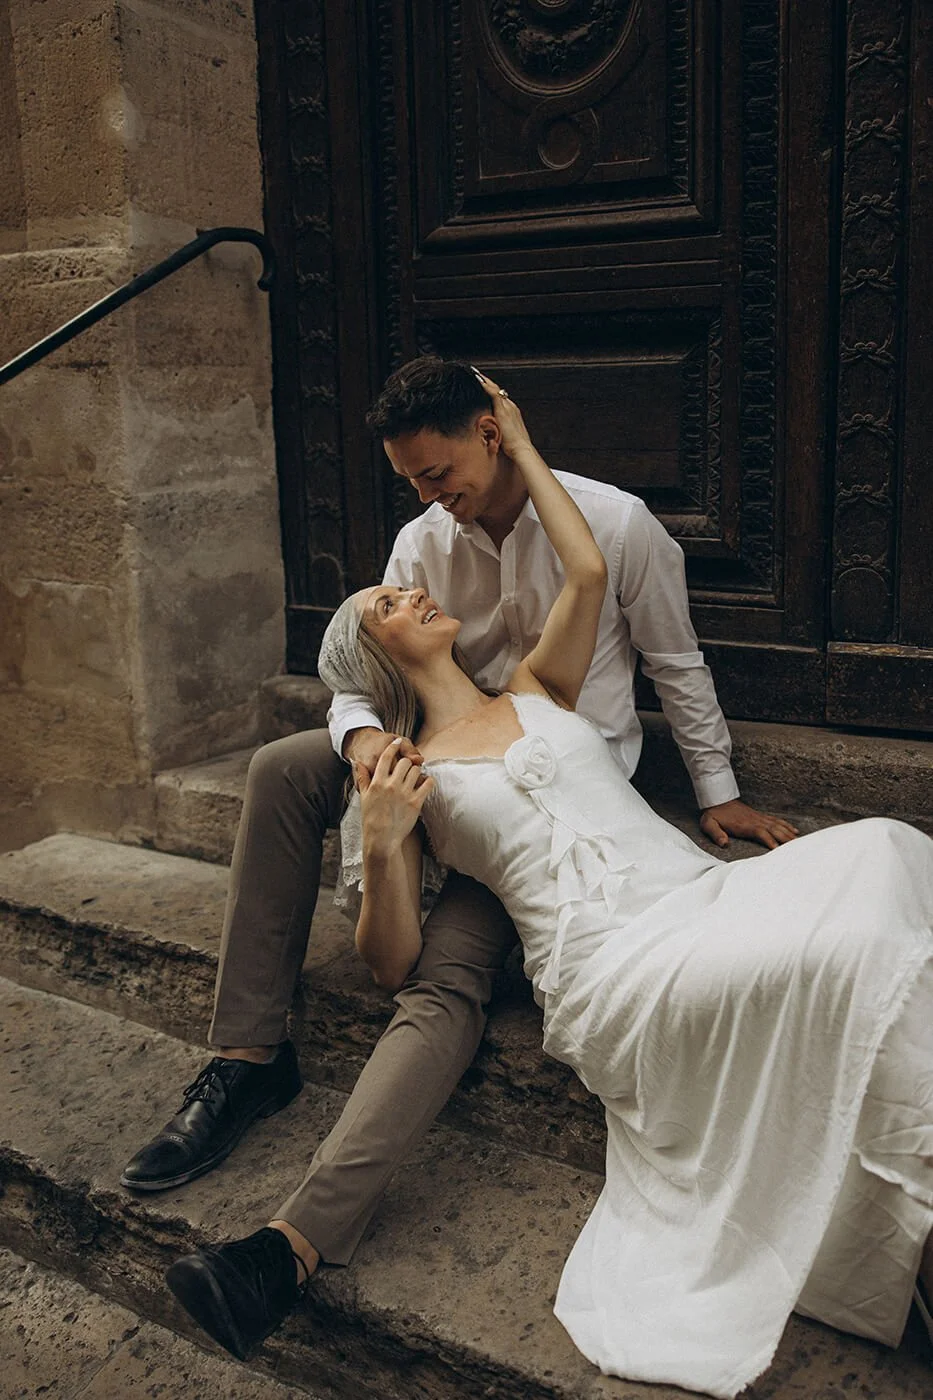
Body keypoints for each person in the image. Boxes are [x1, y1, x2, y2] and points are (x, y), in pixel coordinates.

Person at [163, 373, 933, 1392]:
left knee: (882, 852)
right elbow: (391, 956)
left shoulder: (541, 682)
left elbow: (595, 579)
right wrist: (382, 835)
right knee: (839, 955)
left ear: (483, 434)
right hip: (603, 949)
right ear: (384, 651)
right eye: (391, 604)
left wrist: (523, 445)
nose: (414, 563)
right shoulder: (411, 765)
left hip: (684, 886)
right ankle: (274, 1192)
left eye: (437, 471)